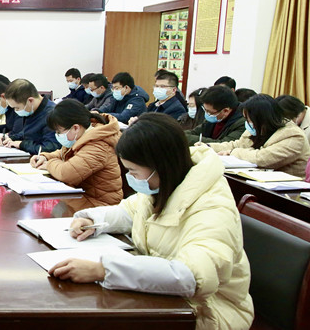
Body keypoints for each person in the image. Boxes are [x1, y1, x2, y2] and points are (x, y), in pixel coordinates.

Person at [50, 114, 253, 330]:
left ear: (160, 166)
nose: (130, 177)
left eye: (133, 171)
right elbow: (130, 211)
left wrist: (103, 270)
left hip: (208, 312)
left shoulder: (212, 209)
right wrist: (92, 219)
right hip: (166, 300)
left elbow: (191, 276)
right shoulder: (167, 184)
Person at [29, 100, 122, 207]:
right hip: (81, 195)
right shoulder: (82, 135)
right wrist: (45, 157)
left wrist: (49, 164)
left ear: (76, 128)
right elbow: (64, 153)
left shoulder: (98, 145)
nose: (57, 135)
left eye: (59, 132)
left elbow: (67, 173)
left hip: (99, 204)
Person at [207, 94, 310, 176]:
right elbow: (238, 145)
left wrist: (232, 153)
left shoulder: (293, 135)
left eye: (249, 119)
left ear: (263, 119)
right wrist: (208, 147)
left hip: (287, 190)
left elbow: (263, 158)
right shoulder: (257, 128)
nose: (247, 123)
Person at [0, 79, 59, 154]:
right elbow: (27, 133)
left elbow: (50, 148)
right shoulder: (32, 109)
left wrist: (22, 144)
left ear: (30, 101)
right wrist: (11, 138)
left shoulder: (53, 115)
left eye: (17, 108)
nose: (15, 111)